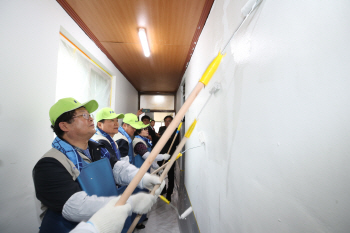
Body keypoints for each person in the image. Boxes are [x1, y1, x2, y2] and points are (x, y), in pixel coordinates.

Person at [32, 98, 161, 233]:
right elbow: (76, 207)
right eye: (84, 115)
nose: (91, 119)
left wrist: (143, 179)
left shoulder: (97, 149)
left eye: (90, 115)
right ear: (64, 126)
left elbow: (118, 168)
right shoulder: (49, 164)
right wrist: (130, 203)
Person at [157, 115, 180, 202]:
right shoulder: (161, 129)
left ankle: (169, 193)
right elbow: (159, 139)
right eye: (166, 121)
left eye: (169, 121)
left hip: (170, 155)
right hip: (161, 155)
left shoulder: (176, 130)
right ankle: (163, 189)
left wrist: (168, 136)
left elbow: (176, 142)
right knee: (161, 174)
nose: (167, 123)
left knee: (170, 175)